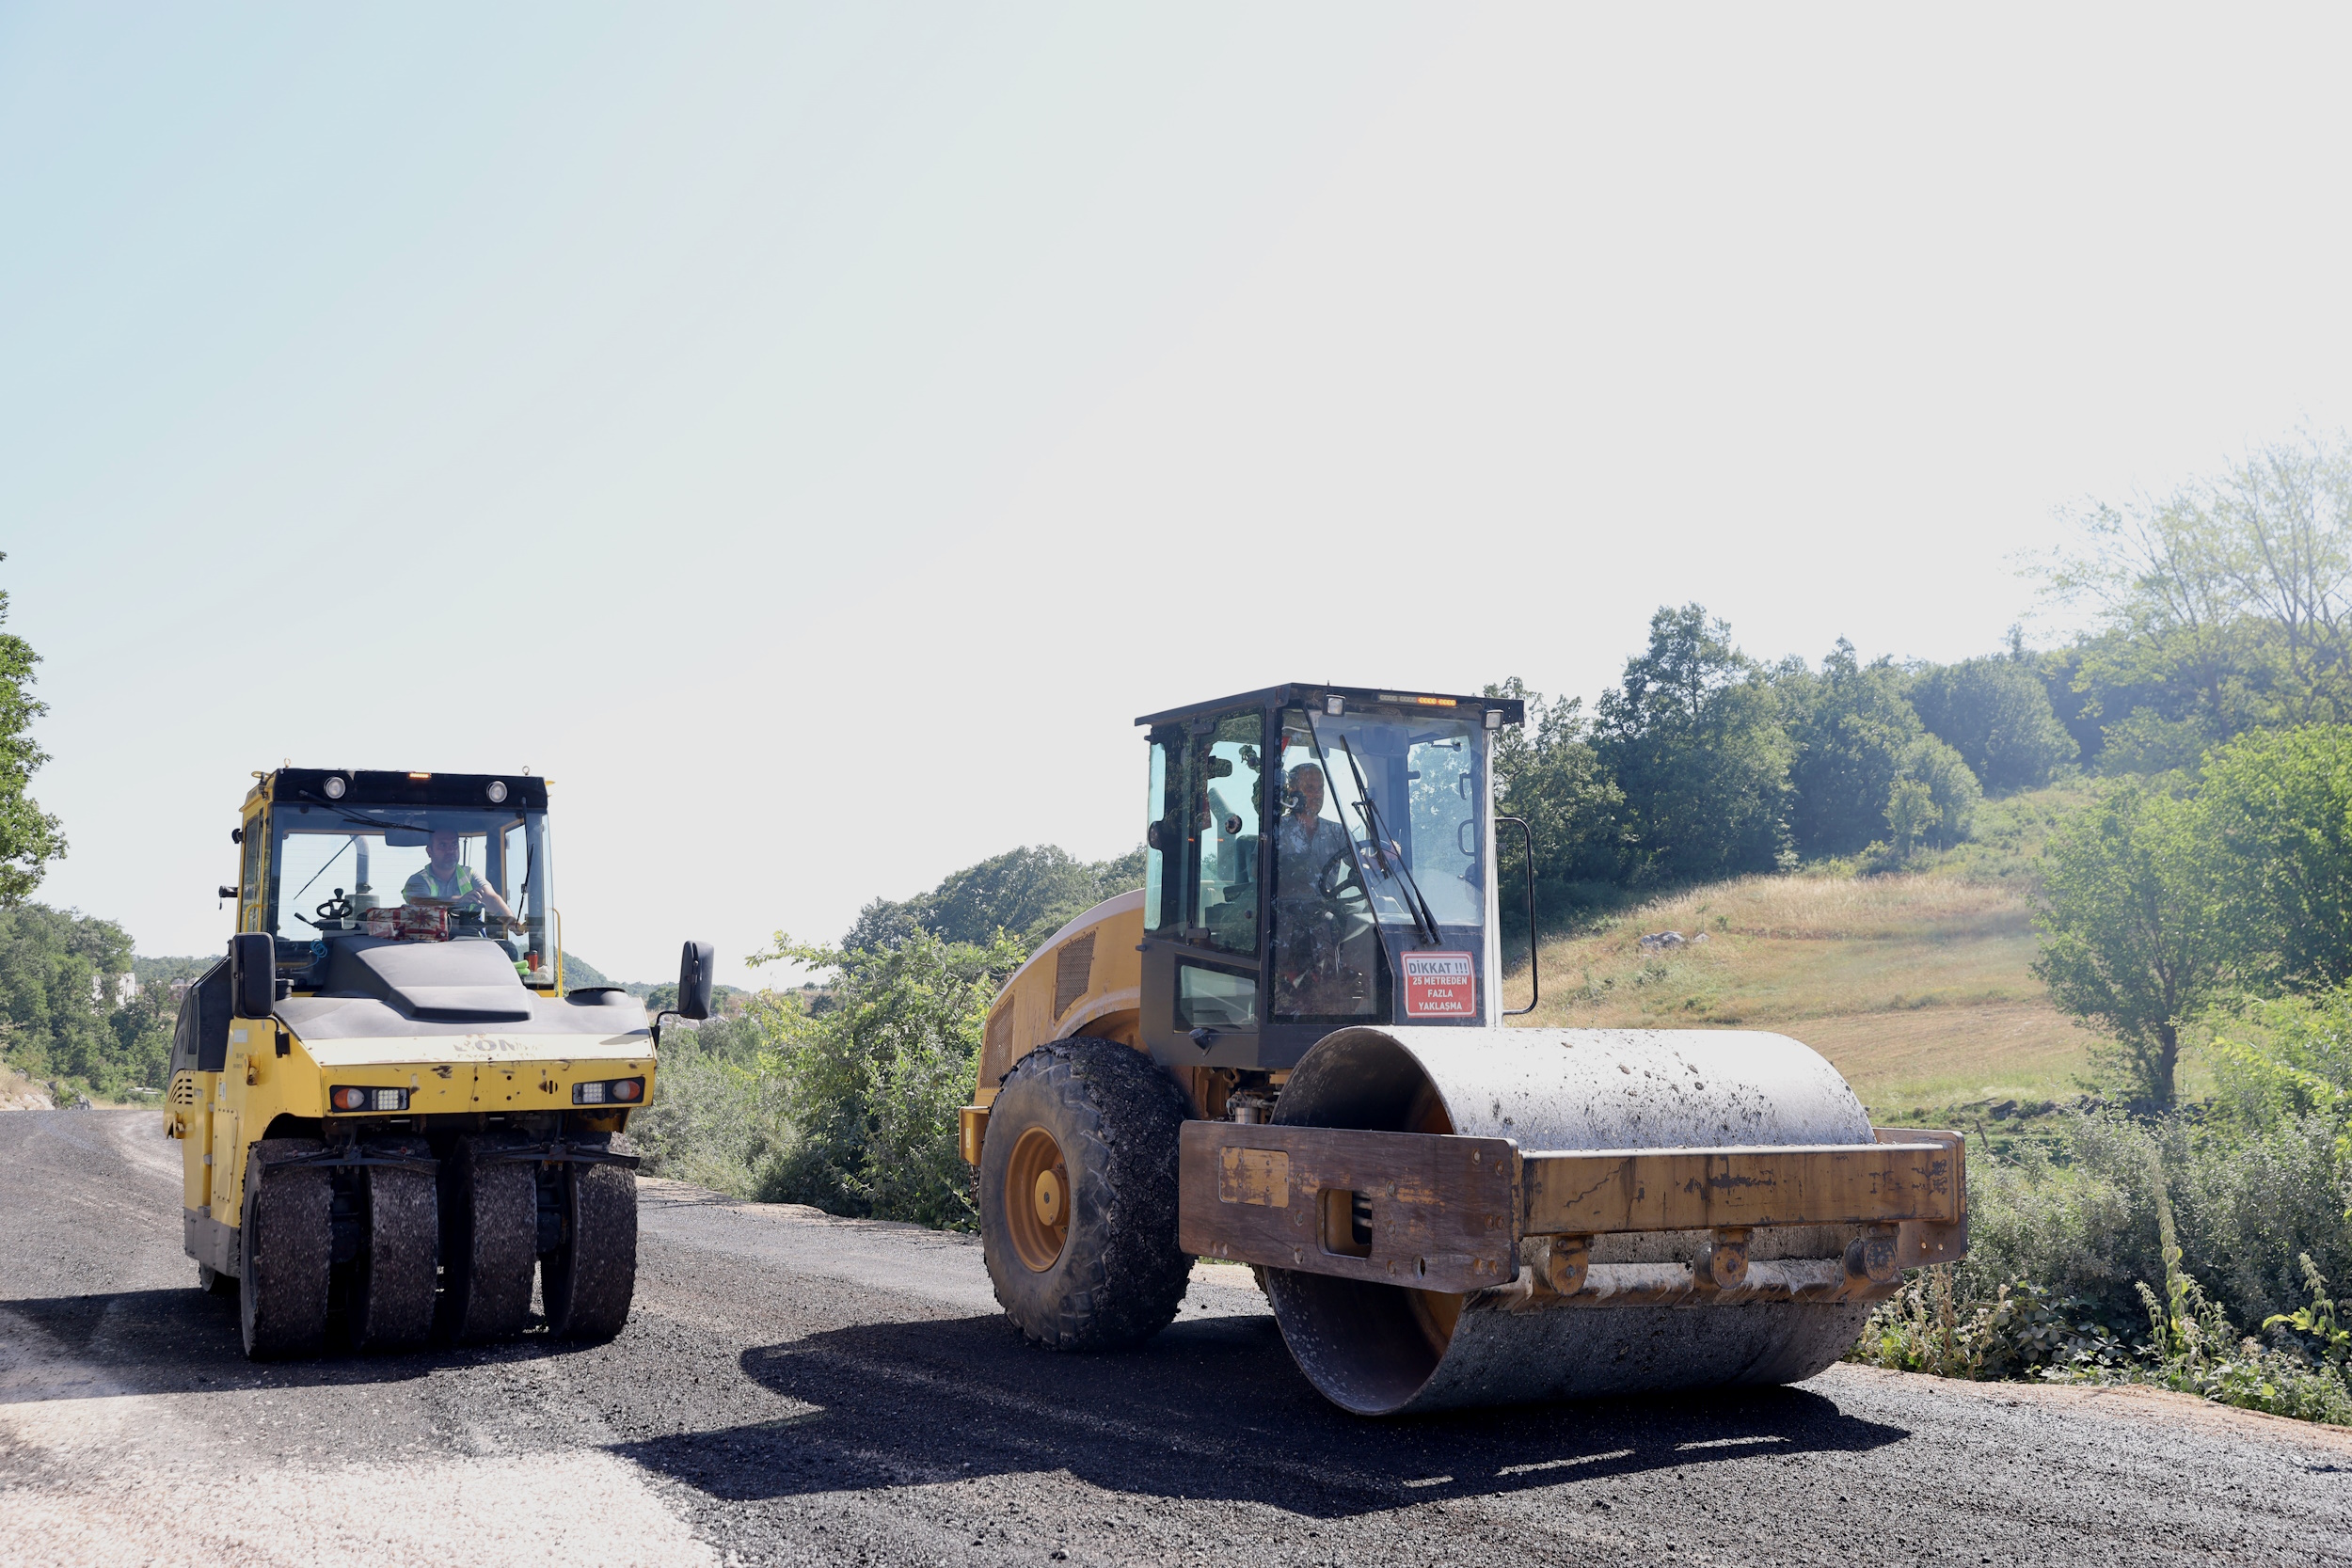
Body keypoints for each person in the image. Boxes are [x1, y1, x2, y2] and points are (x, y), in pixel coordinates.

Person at [404, 830, 516, 920]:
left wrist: (511, 922)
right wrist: (458, 901)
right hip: (429, 941)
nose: (450, 850)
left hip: (469, 941)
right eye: (443, 845)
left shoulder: (470, 875)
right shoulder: (417, 880)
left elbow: (491, 898)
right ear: (429, 851)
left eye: (454, 844)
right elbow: (420, 903)